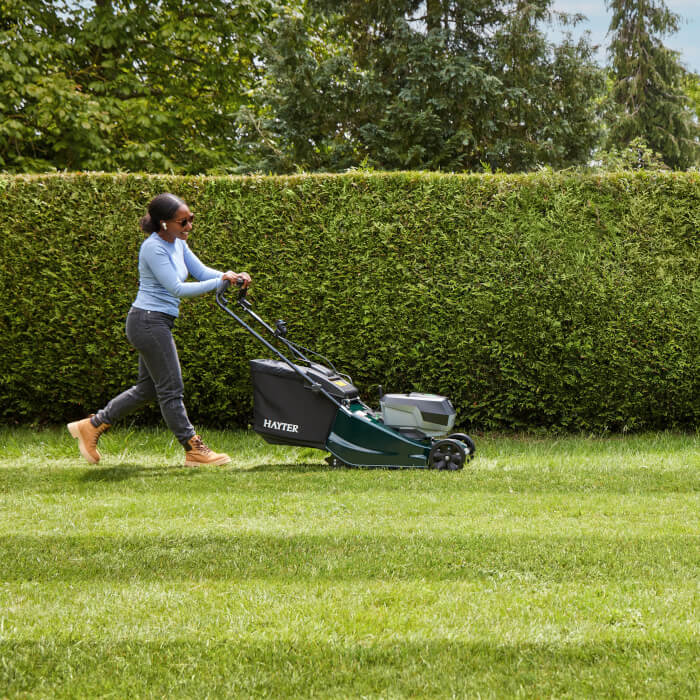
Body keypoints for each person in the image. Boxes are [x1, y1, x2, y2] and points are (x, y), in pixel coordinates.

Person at [68, 192, 251, 467]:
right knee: (171, 389)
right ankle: (194, 449)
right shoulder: (153, 248)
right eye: (183, 222)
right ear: (164, 223)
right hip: (148, 322)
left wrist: (231, 276)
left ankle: (92, 425)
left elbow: (201, 272)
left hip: (156, 322)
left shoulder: (178, 243)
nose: (189, 226)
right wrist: (219, 282)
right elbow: (176, 289)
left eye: (191, 219)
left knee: (147, 389)